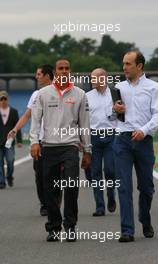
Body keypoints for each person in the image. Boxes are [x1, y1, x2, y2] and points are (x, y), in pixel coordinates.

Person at [30, 59, 91, 242]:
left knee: (71, 185)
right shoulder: (42, 94)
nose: (64, 71)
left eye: (67, 68)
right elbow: (36, 121)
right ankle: (54, 227)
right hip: (49, 146)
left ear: (70, 71)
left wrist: (87, 150)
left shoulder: (80, 94)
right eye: (60, 69)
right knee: (50, 190)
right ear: (55, 72)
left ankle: (70, 226)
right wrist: (34, 142)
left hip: (71, 146)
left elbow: (84, 124)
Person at [112, 51, 158, 242]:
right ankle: (127, 231)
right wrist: (114, 111)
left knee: (147, 188)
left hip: (144, 141)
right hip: (122, 141)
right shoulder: (118, 87)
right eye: (123, 63)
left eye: (128, 64)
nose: (124, 67)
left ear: (139, 66)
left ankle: (145, 218)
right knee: (124, 187)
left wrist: (144, 130)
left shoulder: (154, 87)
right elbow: (111, 119)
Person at [8, 64, 54, 216]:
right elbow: (27, 115)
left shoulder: (59, 91)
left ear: (48, 75)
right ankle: (44, 204)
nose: (36, 77)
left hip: (56, 141)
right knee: (40, 175)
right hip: (39, 142)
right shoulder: (35, 94)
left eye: (39, 74)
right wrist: (15, 129)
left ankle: (54, 201)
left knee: (55, 175)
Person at [86, 68, 116, 216]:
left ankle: (111, 195)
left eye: (94, 78)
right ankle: (100, 206)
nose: (91, 80)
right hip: (94, 137)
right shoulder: (87, 96)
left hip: (111, 136)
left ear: (103, 78)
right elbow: (83, 120)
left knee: (110, 170)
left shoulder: (115, 94)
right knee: (95, 172)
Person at [0, 90, 22, 189]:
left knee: (10, 161)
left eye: (5, 99)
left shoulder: (14, 111)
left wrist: (19, 140)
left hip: (9, 142)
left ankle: (9, 176)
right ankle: (2, 182)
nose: (3, 101)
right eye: (1, 99)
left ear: (7, 99)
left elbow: (18, 126)